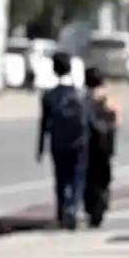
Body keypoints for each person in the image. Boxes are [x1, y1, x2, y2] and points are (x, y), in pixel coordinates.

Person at [36, 52, 89, 230]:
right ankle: (73, 206)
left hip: (57, 143)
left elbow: (44, 123)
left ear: (53, 69)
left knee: (60, 178)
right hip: (79, 143)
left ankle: (60, 212)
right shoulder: (79, 94)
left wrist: (40, 148)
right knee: (77, 177)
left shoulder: (49, 96)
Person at [82, 66, 120, 229]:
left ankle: (90, 210)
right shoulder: (109, 101)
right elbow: (117, 122)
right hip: (105, 145)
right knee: (103, 179)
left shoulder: (82, 100)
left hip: (87, 144)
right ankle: (100, 208)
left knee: (88, 178)